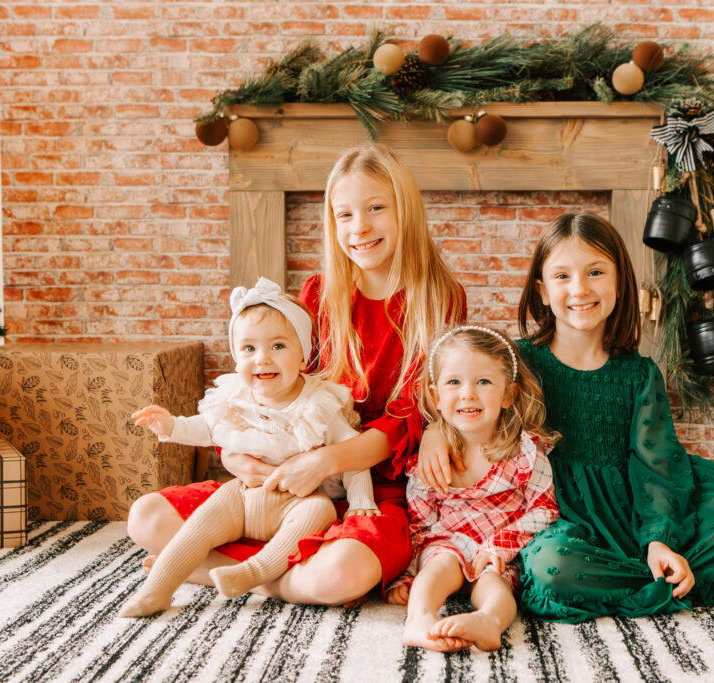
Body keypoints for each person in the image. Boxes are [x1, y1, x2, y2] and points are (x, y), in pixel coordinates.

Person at [125, 143, 465, 607]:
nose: (359, 227)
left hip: (370, 484)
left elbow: (410, 418)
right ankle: (270, 568)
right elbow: (270, 384)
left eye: (376, 208)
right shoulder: (320, 293)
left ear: (405, 211)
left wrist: (324, 463)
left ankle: (227, 571)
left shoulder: (438, 298)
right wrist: (235, 456)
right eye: (343, 215)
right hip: (282, 476)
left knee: (343, 572)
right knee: (146, 518)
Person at [417, 212, 714, 623]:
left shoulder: (639, 374)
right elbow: (467, 397)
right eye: (562, 276)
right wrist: (436, 430)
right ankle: (663, 583)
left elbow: (658, 465)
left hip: (637, 497)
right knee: (551, 570)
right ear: (543, 291)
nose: (580, 289)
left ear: (619, 282)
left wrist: (659, 540)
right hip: (557, 513)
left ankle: (656, 566)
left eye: (595, 272)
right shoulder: (520, 361)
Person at [121, 278, 377, 617]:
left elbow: (354, 456)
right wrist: (170, 426)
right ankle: (157, 589)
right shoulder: (234, 398)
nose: (263, 359)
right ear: (236, 355)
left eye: (278, 347)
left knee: (321, 512)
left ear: (303, 356)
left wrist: (361, 501)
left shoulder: (318, 405)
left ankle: (251, 574)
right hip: (244, 496)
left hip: (299, 502)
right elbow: (207, 428)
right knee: (200, 524)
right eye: (249, 349)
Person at [386, 325, 559, 652]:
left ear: (509, 394)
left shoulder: (523, 453)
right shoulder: (434, 459)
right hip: (446, 542)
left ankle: (489, 621)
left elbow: (544, 510)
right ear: (437, 397)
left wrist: (499, 547)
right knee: (439, 563)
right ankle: (419, 619)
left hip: (498, 548)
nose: (467, 394)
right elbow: (420, 524)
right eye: (454, 382)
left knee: (494, 584)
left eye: (483, 382)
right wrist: (407, 576)